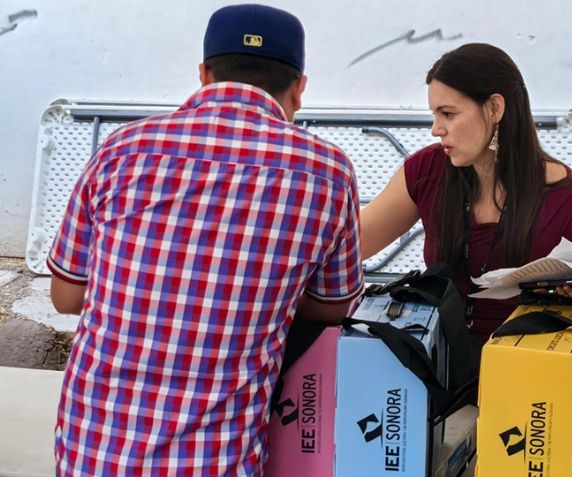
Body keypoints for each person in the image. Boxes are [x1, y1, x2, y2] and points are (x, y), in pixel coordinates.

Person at [47, 5, 363, 475]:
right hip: (219, 460)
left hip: (92, 452)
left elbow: (67, 294)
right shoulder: (327, 172)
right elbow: (335, 305)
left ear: (204, 74)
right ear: (299, 87)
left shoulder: (122, 149)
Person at [361, 43, 572, 341]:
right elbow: (353, 242)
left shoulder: (570, 200)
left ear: (494, 108)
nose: (436, 129)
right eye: (435, 115)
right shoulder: (427, 170)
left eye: (448, 114)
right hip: (439, 363)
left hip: (528, 368)